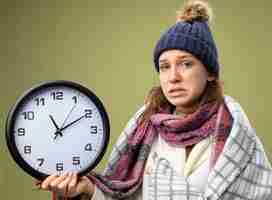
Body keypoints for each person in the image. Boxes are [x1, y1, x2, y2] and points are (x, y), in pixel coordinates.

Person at [40, 0, 272, 199]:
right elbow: (123, 195)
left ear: (210, 72)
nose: (173, 77)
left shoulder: (236, 134)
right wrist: (88, 189)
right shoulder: (145, 129)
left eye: (186, 64)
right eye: (164, 67)